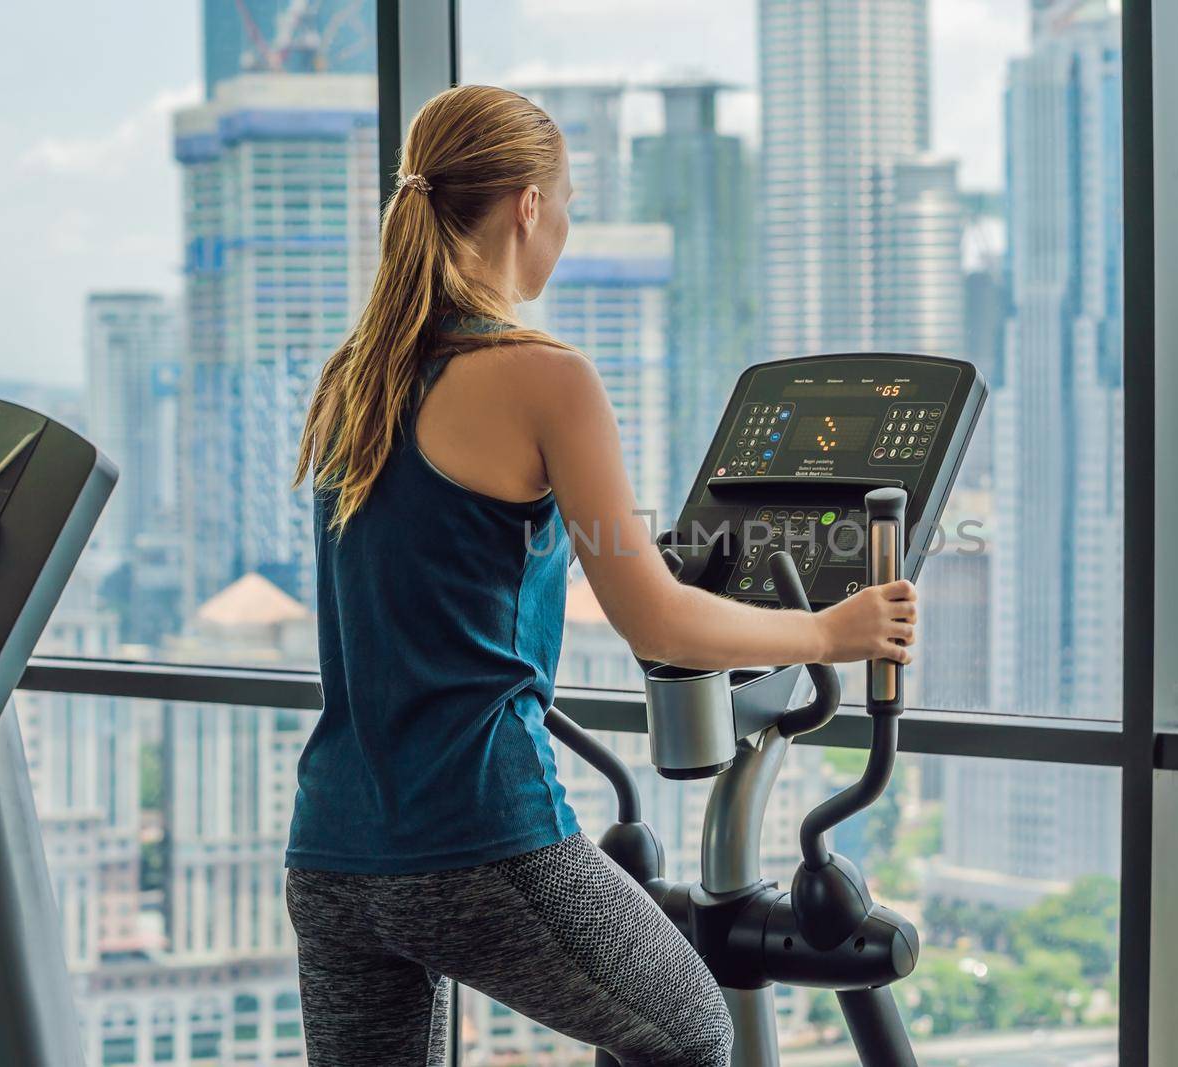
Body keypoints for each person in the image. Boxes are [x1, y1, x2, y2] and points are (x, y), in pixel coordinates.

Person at [284, 85, 918, 1067]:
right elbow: (657, 622)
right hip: (479, 836)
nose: (567, 227)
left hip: (330, 849)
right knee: (693, 1029)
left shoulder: (351, 377)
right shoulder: (546, 377)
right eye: (569, 202)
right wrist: (831, 633)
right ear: (527, 205)